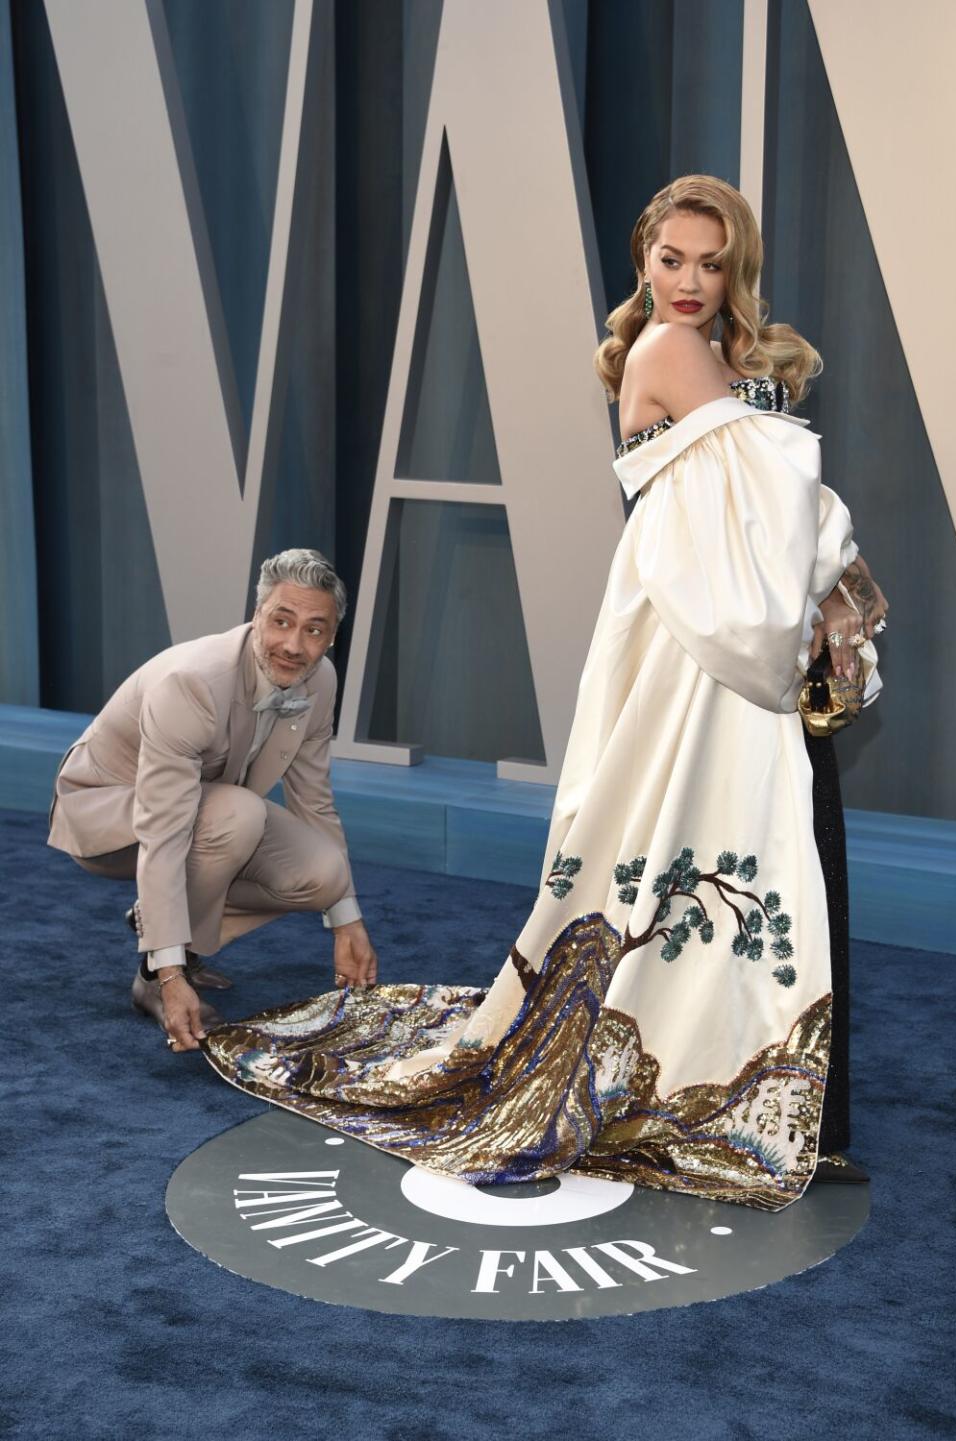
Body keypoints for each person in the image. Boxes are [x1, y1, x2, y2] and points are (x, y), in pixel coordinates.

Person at [202, 176, 885, 1211]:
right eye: (672, 260)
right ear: (643, 260)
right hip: (699, 638)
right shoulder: (664, 351)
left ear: (733, 265)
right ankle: (730, 1080)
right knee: (719, 843)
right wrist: (827, 572)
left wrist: (827, 588)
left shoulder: (716, 356)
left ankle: (769, 1076)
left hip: (722, 623)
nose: (690, 282)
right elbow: (779, 491)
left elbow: (764, 504)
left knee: (747, 847)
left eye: (711, 263)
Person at [48, 548, 378, 1052]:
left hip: (206, 813)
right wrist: (169, 971)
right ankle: (155, 973)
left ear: (331, 637)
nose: (293, 644)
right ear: (256, 616)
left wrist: (346, 919)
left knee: (326, 873)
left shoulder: (320, 680)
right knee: (238, 815)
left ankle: (166, 924)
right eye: (281, 621)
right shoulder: (193, 683)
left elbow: (314, 800)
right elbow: (164, 831)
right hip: (108, 815)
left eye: (314, 629)